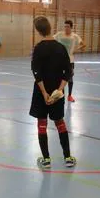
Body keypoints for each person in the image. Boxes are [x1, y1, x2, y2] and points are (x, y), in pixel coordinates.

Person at [30, 17, 77, 169]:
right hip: (57, 93)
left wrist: (44, 93)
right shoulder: (61, 48)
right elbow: (68, 72)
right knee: (60, 123)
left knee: (41, 124)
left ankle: (46, 160)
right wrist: (60, 90)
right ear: (50, 28)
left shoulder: (38, 48)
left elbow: (36, 73)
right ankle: (68, 157)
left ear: (38, 30)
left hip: (41, 93)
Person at [53, 20, 85, 102]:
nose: (66, 28)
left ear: (71, 27)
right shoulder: (59, 34)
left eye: (67, 27)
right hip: (59, 60)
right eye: (65, 26)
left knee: (70, 78)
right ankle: (57, 94)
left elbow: (83, 45)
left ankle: (70, 96)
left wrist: (75, 50)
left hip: (70, 61)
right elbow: (51, 40)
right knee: (58, 78)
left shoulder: (75, 36)